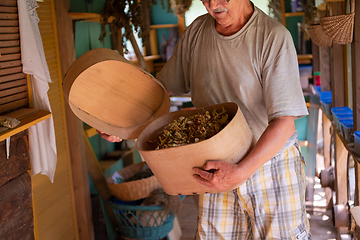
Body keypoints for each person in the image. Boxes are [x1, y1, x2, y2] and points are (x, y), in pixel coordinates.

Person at [100, 0, 311, 239]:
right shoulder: (196, 32)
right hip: (215, 165)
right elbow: (160, 93)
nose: (213, 4)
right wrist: (125, 125)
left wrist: (241, 171)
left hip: (269, 163)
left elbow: (284, 123)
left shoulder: (273, 38)